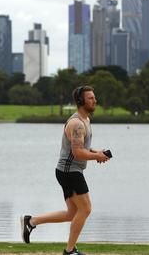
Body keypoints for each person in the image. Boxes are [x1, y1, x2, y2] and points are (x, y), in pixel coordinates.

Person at [20, 86, 110, 255]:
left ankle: (31, 221)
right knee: (86, 209)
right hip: (70, 172)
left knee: (72, 213)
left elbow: (81, 148)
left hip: (69, 171)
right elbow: (77, 152)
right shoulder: (77, 124)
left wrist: (97, 153)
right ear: (81, 101)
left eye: (94, 97)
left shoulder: (85, 121)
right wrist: (96, 156)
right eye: (90, 98)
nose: (95, 100)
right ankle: (69, 251)